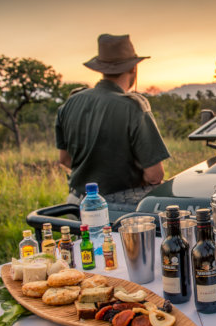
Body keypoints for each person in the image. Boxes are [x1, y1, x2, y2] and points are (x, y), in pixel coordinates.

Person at [55, 34, 170, 212]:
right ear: (133, 68)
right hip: (117, 210)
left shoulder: (70, 102)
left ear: (101, 68)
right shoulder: (133, 106)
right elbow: (155, 175)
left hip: (75, 205)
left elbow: (64, 159)